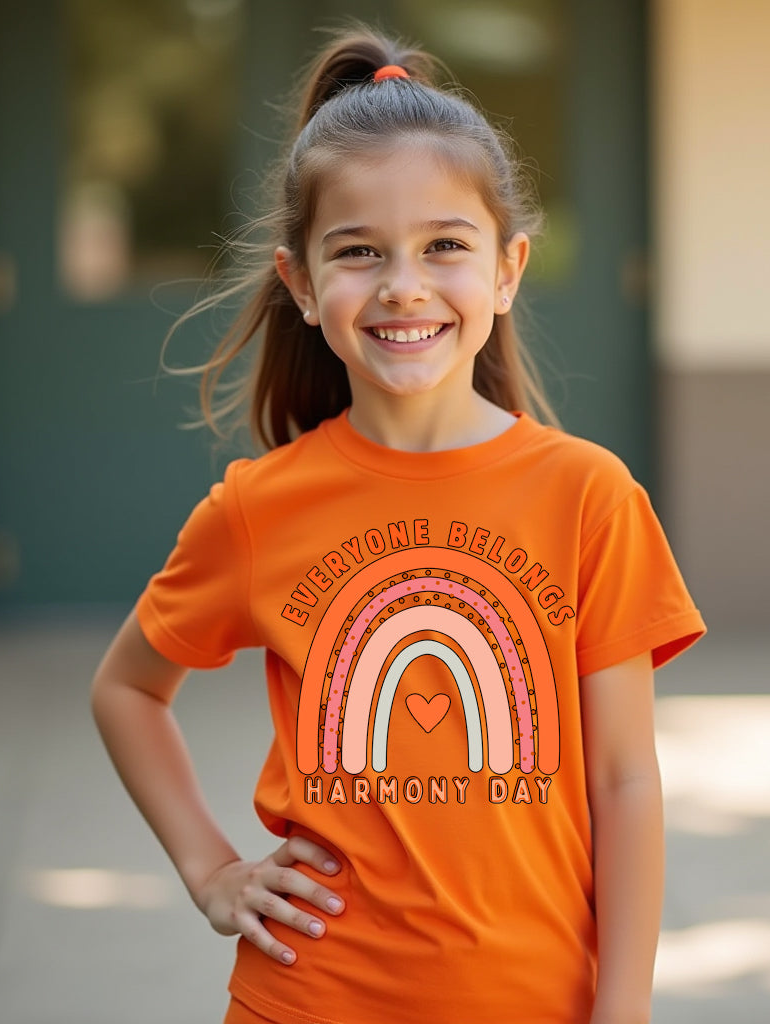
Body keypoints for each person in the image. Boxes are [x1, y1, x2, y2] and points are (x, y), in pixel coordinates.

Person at [91, 25, 705, 1024]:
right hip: (307, 1000)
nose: (403, 285)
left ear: (507, 270)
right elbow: (125, 688)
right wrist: (210, 871)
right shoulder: (257, 507)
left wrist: (622, 1006)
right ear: (300, 284)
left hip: (536, 1002)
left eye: (444, 247)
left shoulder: (588, 496)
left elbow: (626, 777)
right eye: (359, 252)